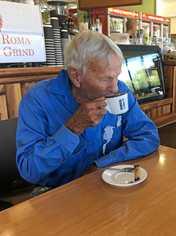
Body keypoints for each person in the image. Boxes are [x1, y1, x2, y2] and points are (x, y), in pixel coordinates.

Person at [16, 31, 160, 187]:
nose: (115, 87)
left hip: (106, 185)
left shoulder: (120, 92)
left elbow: (148, 136)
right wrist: (73, 128)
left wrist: (100, 165)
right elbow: (29, 169)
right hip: (56, 193)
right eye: (106, 78)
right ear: (76, 76)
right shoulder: (38, 99)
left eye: (117, 76)